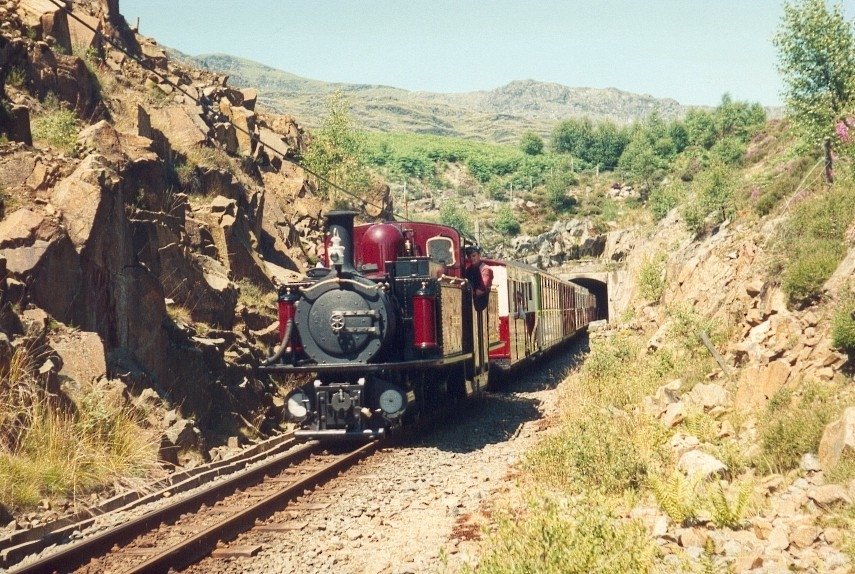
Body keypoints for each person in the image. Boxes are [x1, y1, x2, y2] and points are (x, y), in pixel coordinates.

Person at [464, 246, 493, 311]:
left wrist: (471, 294)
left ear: (479, 255)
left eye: (474, 256)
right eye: (469, 257)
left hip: (481, 302)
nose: (471, 258)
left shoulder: (486, 269)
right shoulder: (468, 270)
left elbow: (482, 288)